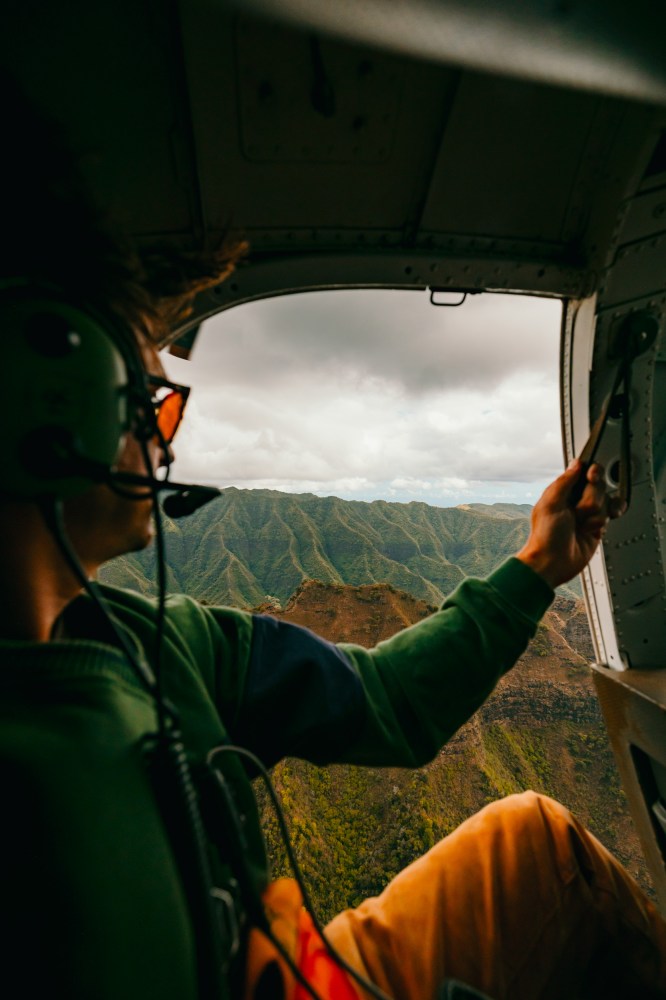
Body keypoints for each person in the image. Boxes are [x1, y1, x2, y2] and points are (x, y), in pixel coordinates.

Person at [1, 89, 665, 1000]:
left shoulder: (168, 642)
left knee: (535, 844)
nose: (166, 440)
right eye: (153, 400)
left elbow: (385, 699)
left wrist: (540, 564)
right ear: (52, 400)